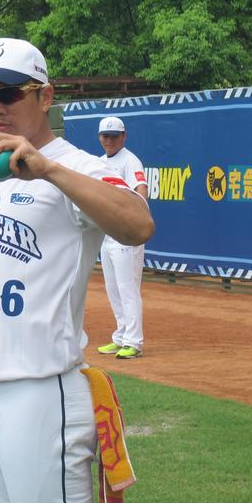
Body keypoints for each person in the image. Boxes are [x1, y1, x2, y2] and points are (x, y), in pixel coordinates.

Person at [0, 38, 154, 503]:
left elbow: (137, 223)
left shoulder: (72, 166)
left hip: (42, 392)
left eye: (9, 92)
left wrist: (48, 171)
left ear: (45, 95)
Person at [94, 116, 149, 359]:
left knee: (128, 288)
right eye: (106, 135)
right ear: (99, 137)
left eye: (114, 135)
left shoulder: (130, 160)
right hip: (106, 233)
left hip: (125, 233)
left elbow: (141, 188)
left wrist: (138, 218)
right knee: (113, 288)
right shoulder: (98, 163)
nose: (110, 140)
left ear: (123, 136)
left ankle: (134, 342)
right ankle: (121, 336)